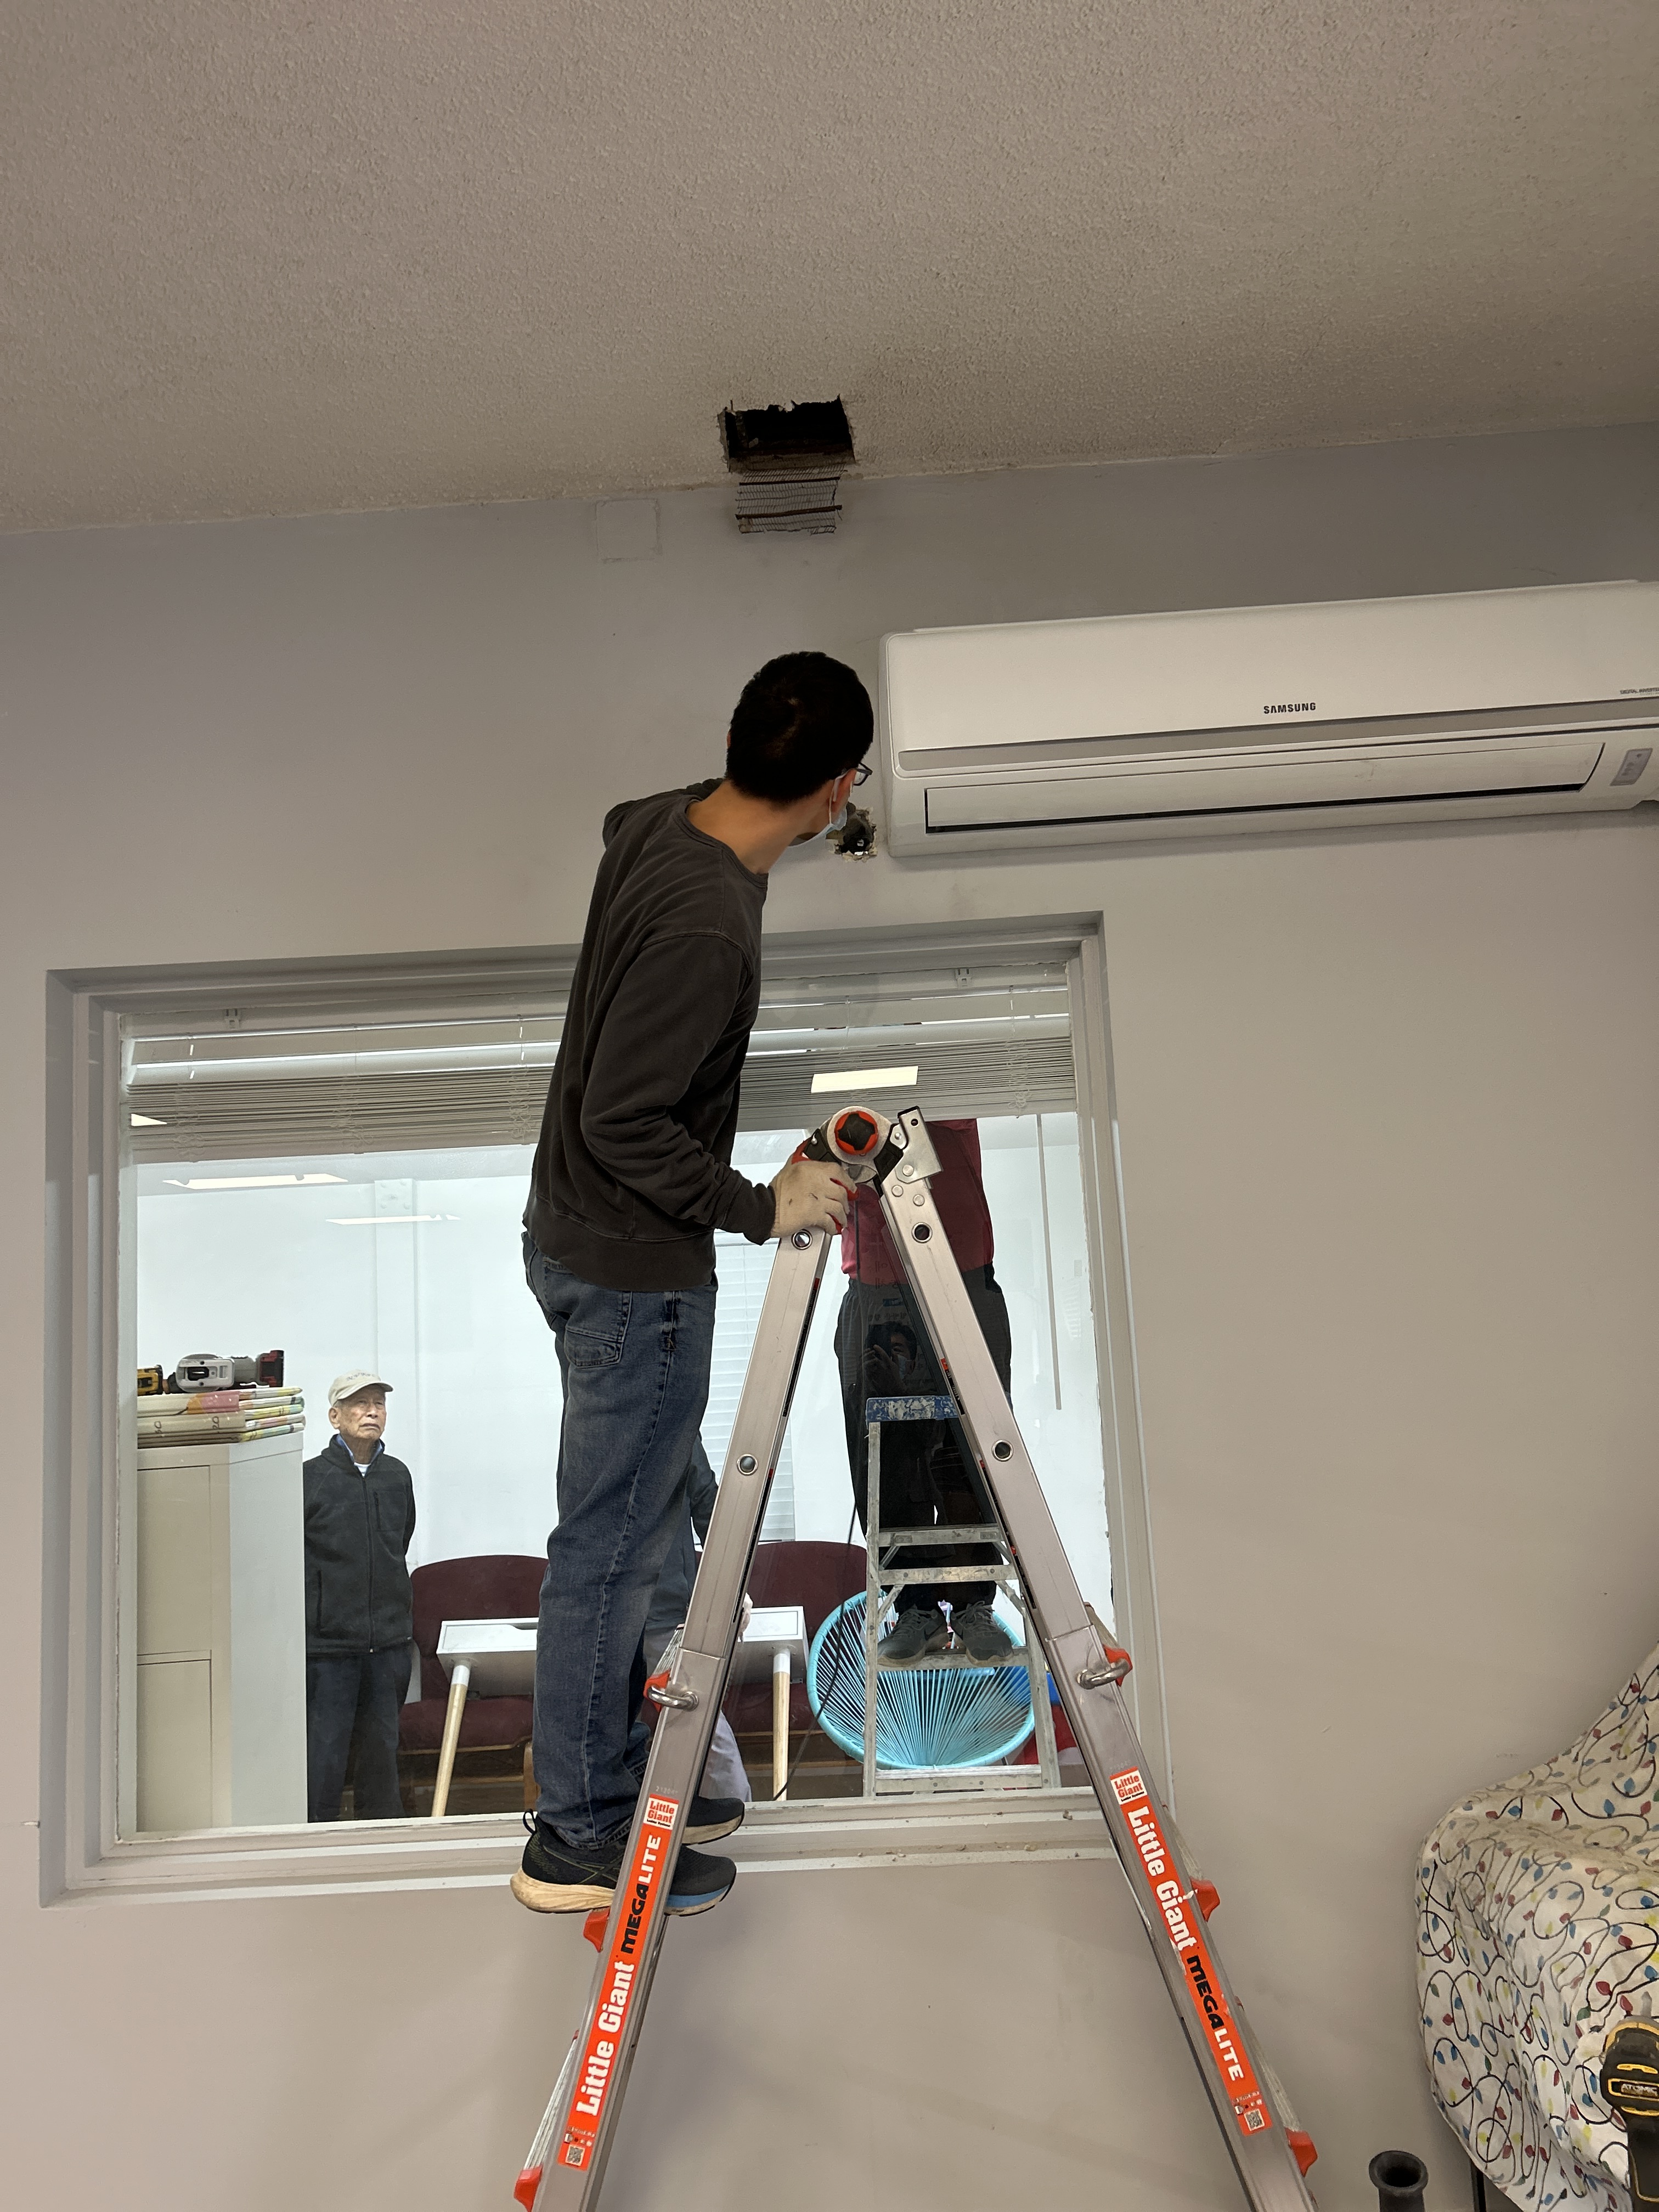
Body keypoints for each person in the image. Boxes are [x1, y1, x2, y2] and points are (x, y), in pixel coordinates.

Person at [515, 651, 870, 1916]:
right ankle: (579, 1833)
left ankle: (659, 1781)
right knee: (612, 1554)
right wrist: (761, 1205)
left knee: (657, 1525)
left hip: (572, 1239)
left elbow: (623, 820)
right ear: (835, 788)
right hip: (633, 1274)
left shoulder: (661, 824)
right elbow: (620, 1121)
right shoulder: (709, 926)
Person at [834, 1119, 1017, 1664]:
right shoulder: (851, 1075)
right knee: (887, 1456)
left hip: (960, 1268)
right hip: (877, 1275)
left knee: (972, 1452)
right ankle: (914, 1608)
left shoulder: (946, 1072)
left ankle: (973, 1604)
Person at [303, 1370, 417, 1821]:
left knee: (381, 1755)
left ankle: (383, 1843)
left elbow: (401, 1542)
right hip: (329, 1647)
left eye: (378, 1404)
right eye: (359, 1404)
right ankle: (315, 1844)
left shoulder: (397, 1476)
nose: (372, 1412)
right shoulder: (310, 1479)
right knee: (324, 1755)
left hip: (388, 1644)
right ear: (335, 1417)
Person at [642, 1440, 751, 1805]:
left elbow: (708, 1507)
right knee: (695, 1726)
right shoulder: (673, 1418)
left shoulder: (677, 1422)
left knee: (697, 1723)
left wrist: (734, 1585)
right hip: (644, 1608)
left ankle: (732, 1816)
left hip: (663, 1608)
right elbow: (707, 1504)